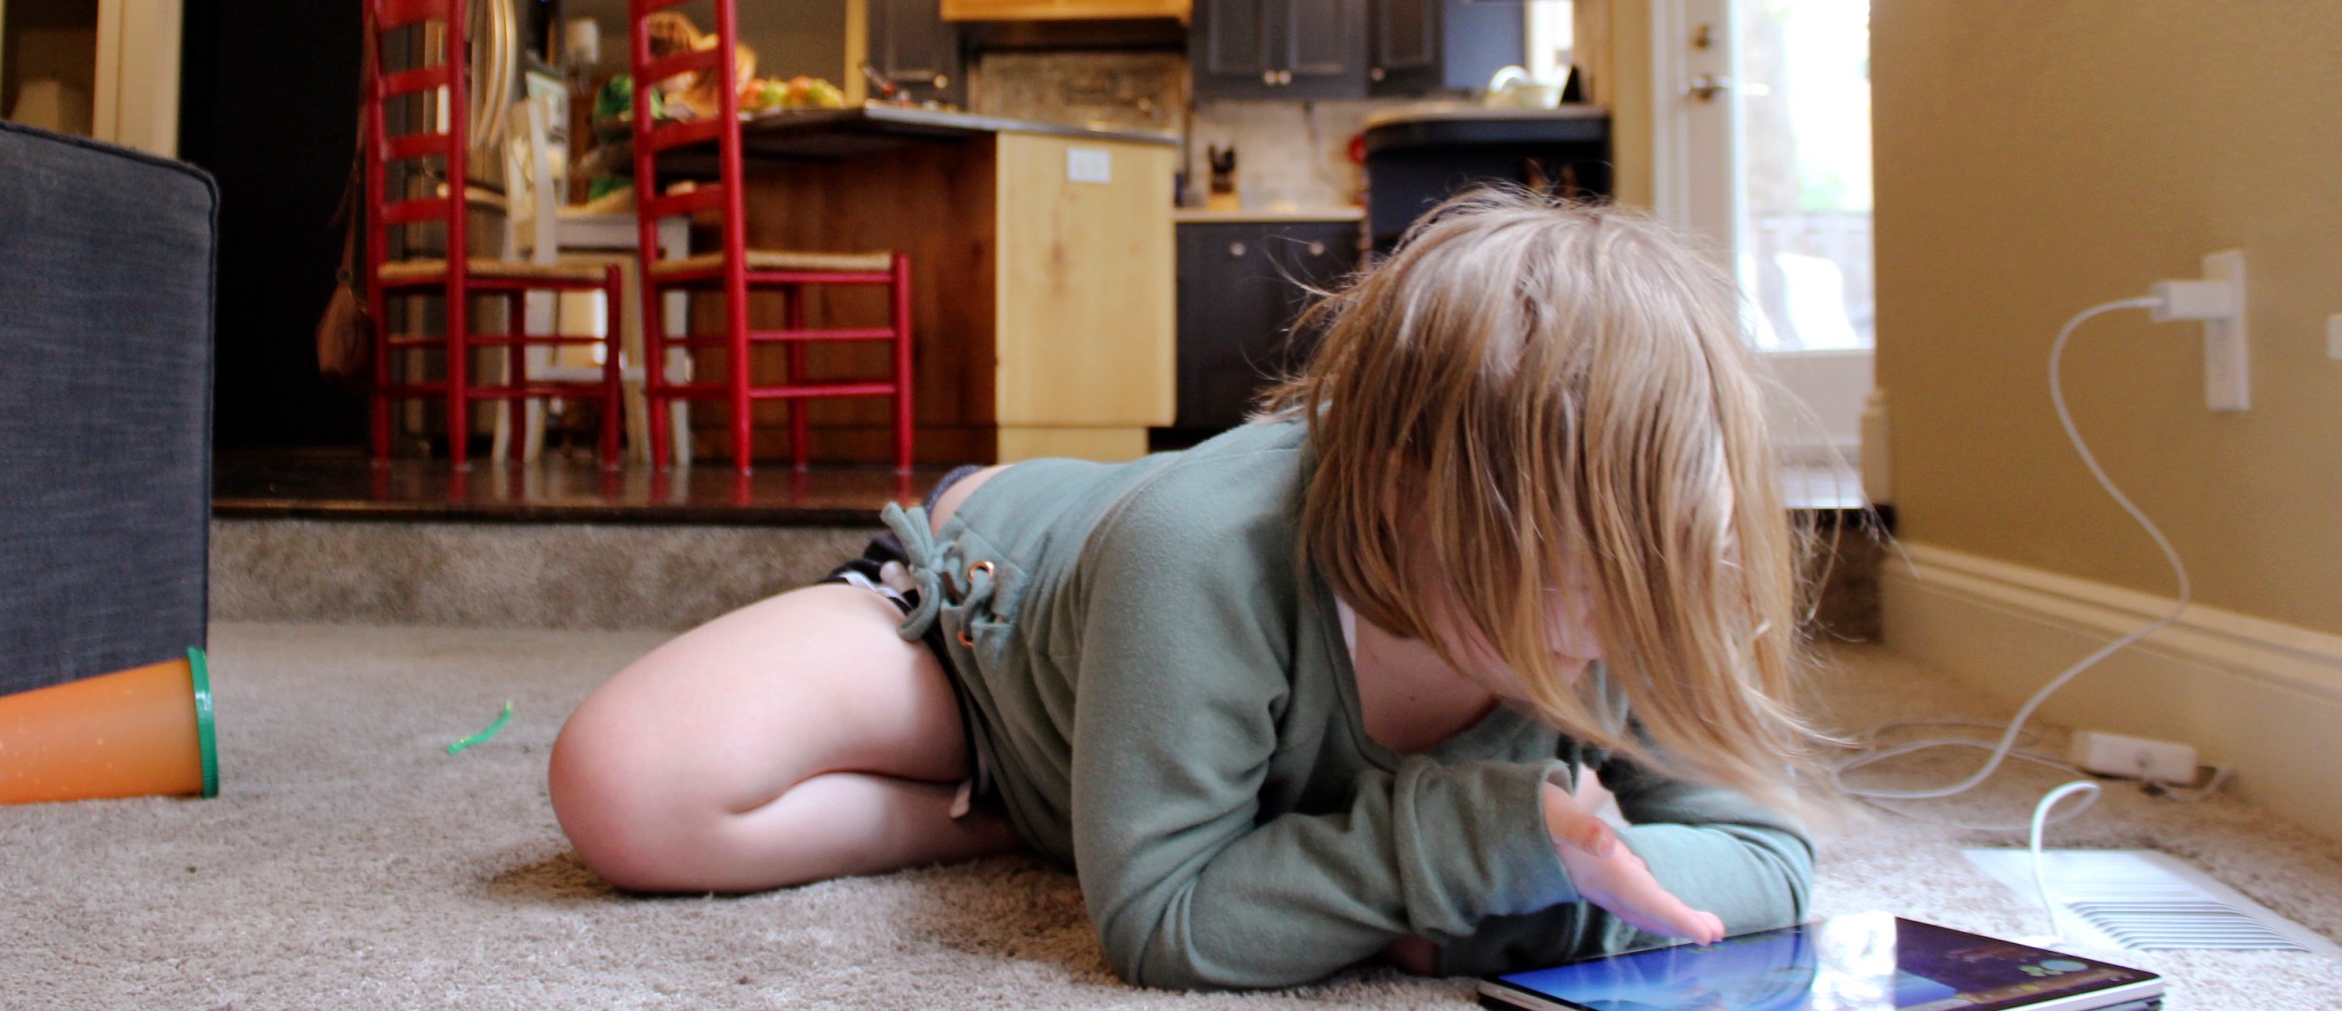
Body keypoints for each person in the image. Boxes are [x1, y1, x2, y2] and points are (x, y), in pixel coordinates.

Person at [547, 189, 1821, 990]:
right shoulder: (1204, 552)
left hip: (1151, 654)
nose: (1618, 622)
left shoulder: (1627, 583)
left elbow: (1769, 862)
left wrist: (1531, 906)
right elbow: (1164, 927)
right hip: (986, 630)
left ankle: (1117, 803)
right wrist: (1477, 847)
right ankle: (1029, 815)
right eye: (1562, 562)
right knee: (628, 788)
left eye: (1655, 563)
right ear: (1390, 490)